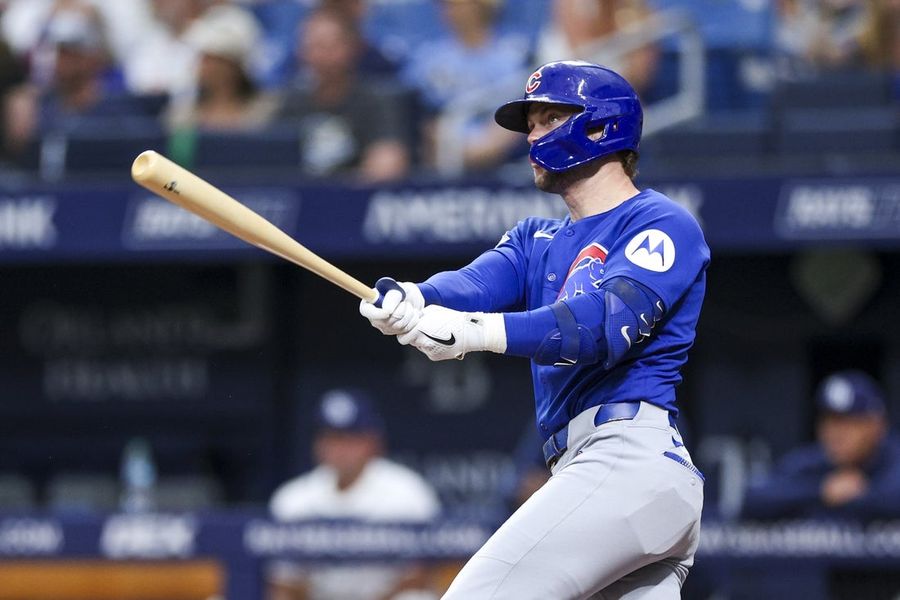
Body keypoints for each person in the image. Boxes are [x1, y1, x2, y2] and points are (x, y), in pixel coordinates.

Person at [360, 60, 709, 598]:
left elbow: (598, 326)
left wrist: (475, 332)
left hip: (628, 459)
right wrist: (412, 297)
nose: (532, 136)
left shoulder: (661, 221)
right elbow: (473, 284)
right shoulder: (538, 238)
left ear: (599, 125)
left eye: (547, 119)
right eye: (531, 124)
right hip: (599, 472)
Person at [268, 388, 442, 600]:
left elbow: (421, 572)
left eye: (350, 438)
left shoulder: (407, 491)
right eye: (332, 438)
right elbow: (283, 581)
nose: (340, 448)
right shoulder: (293, 498)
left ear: (372, 441)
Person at [742, 369, 900, 521]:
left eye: (847, 423)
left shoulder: (893, 457)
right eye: (828, 421)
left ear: (877, 425)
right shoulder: (813, 461)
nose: (835, 433)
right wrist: (820, 491)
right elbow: (754, 497)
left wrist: (864, 494)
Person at [278, 6, 410, 182]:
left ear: (353, 47)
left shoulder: (375, 101)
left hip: (356, 199)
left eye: (330, 46)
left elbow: (389, 160)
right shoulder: (292, 102)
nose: (322, 56)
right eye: (314, 46)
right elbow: (273, 158)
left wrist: (341, 188)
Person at [165, 4, 278, 132]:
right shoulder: (183, 115)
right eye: (201, 58)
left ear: (231, 65)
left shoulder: (265, 114)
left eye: (209, 59)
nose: (201, 66)